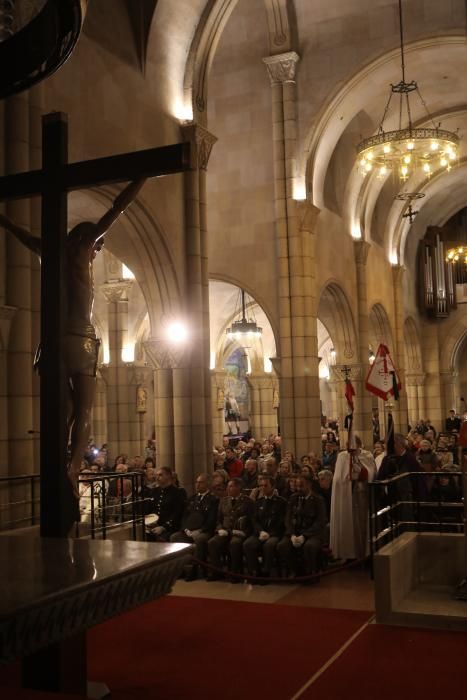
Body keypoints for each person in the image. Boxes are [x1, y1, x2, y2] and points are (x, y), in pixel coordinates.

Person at [0, 179, 145, 498]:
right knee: (83, 410)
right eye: (98, 247)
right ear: (89, 239)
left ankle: (55, 457)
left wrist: (3, 218)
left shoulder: (48, 249)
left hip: (51, 343)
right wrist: (143, 176)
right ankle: (74, 467)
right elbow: (116, 208)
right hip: (81, 340)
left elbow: (18, 232)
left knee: (62, 411)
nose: (96, 254)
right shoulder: (82, 246)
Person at [330, 436, 376, 561]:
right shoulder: (342, 457)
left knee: (362, 524)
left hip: (362, 495)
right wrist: (348, 476)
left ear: (359, 444)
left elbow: (372, 473)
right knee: (348, 524)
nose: (351, 448)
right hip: (346, 497)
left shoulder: (367, 456)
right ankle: (348, 554)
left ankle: (364, 553)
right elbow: (337, 479)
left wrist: (361, 471)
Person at [277, 475, 327, 580]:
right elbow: (288, 518)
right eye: (297, 486)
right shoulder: (293, 498)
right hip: (295, 532)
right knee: (282, 545)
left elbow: (320, 521)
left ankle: (310, 573)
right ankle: (294, 570)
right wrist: (291, 534)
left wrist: (304, 535)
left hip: (313, 534)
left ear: (309, 485)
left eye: (301, 486)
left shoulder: (318, 500)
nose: (298, 489)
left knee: (309, 546)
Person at [170, 474, 219, 580]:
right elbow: (184, 516)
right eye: (197, 482)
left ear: (208, 484)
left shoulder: (213, 499)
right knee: (175, 537)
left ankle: (195, 570)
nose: (197, 485)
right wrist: (185, 529)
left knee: (200, 539)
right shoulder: (192, 498)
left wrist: (200, 530)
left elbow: (212, 519)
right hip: (189, 530)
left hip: (204, 531)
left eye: (201, 482)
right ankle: (181, 569)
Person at [207, 478, 253, 581]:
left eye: (231, 486)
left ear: (239, 487)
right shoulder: (223, 500)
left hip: (238, 532)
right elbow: (218, 519)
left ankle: (235, 573)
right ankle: (217, 571)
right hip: (224, 531)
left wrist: (245, 532)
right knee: (212, 542)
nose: (228, 488)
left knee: (235, 543)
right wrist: (219, 529)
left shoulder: (247, 501)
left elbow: (251, 520)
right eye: (228, 486)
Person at [243, 474, 286, 580]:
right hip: (260, 533)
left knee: (269, 545)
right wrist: (261, 531)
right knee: (247, 544)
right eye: (261, 486)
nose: (262, 488)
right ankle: (255, 571)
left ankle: (265, 572)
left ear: (273, 486)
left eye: (265, 485)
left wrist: (270, 534)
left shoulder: (281, 502)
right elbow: (255, 520)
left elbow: (281, 521)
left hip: (274, 534)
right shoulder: (258, 502)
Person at [145, 466, 186, 541]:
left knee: (160, 538)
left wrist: (164, 527)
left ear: (169, 476)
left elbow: (177, 514)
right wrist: (149, 522)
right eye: (156, 475)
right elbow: (149, 509)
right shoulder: (154, 491)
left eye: (160, 475)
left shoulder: (177, 493)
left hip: (170, 527)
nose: (157, 477)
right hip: (153, 525)